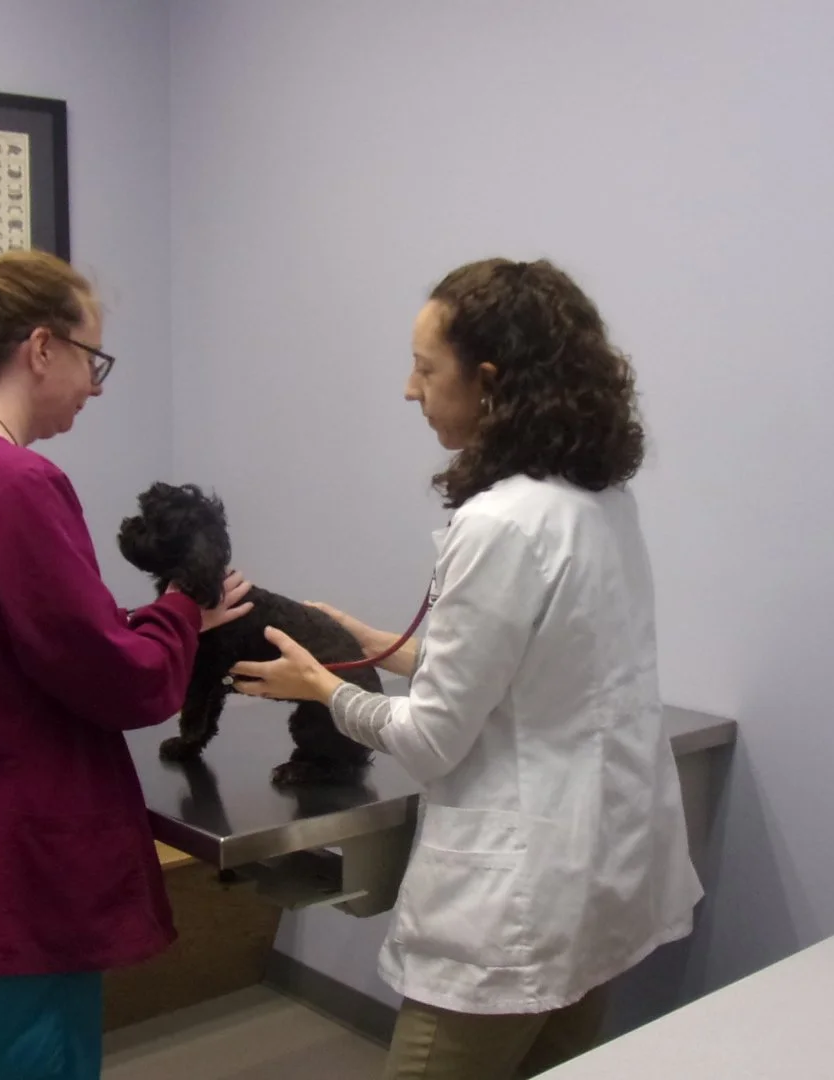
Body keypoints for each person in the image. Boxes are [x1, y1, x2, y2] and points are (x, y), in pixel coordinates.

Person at [230, 258, 703, 1080]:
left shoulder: (501, 523)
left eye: (424, 369)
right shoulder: (597, 502)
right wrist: (389, 647)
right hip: (601, 880)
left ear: (488, 383)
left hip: (516, 911)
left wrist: (325, 691)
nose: (409, 391)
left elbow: (430, 741)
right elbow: (533, 676)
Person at [0, 236, 253, 1080]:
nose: (97, 385)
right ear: (41, 347)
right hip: (16, 863)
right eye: (92, 358)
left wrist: (131, 621)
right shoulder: (14, 483)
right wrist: (186, 608)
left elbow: (8, 640)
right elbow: (119, 676)